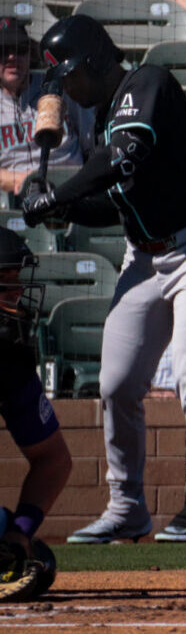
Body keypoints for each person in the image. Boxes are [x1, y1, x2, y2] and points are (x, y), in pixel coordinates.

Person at [21, 15, 186, 545]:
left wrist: (58, 195)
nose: (66, 89)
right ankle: (127, 508)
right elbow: (115, 202)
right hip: (144, 256)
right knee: (117, 384)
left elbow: (123, 159)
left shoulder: (148, 83)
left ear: (95, 62)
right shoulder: (100, 120)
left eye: (69, 76)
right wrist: (63, 211)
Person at [0, 230, 69, 602]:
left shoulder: (8, 358)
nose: (17, 296)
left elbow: (53, 460)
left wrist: (19, 531)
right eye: (4, 284)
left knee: (34, 559)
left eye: (16, 283)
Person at [0, 16, 91, 197]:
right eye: (3, 50)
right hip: (17, 198)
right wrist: (21, 179)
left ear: (30, 54)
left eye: (20, 50)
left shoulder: (61, 87)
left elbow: (92, 146)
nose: (12, 57)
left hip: (74, 191)